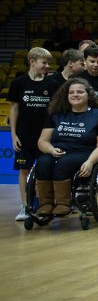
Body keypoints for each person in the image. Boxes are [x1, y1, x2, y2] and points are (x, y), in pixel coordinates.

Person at [33, 78, 98, 218]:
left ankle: (63, 204)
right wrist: (51, 150)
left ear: (88, 95)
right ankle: (45, 204)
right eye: (71, 92)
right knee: (42, 162)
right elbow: (42, 141)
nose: (75, 95)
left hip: (85, 152)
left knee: (64, 163)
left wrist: (90, 162)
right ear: (66, 95)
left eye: (80, 92)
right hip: (57, 151)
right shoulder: (57, 114)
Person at [9, 47, 55, 220]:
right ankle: (25, 207)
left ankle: (44, 205)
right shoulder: (19, 83)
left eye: (48, 63)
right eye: (44, 63)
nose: (47, 66)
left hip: (46, 138)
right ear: (32, 62)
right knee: (24, 170)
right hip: (24, 138)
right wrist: (14, 135)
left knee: (45, 171)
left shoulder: (52, 85)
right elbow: (13, 110)